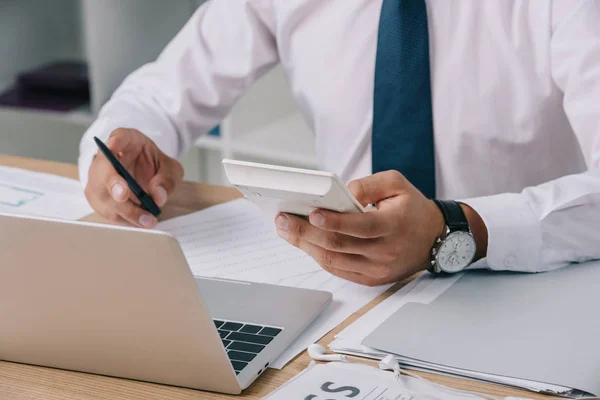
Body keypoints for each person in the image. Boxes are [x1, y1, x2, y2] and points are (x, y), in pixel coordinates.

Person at [79, 0, 600, 286]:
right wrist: (124, 149)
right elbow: (163, 90)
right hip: (345, 288)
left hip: (530, 280)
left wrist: (456, 230)